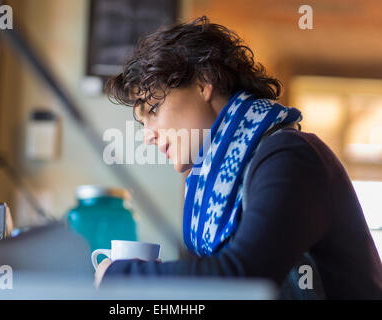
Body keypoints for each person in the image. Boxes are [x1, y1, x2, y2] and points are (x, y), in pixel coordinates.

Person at [96, 16, 382, 299]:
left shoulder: (290, 156)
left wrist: (122, 278)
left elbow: (245, 275)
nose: (148, 136)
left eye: (154, 110)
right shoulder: (207, 184)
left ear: (203, 82)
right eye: (142, 124)